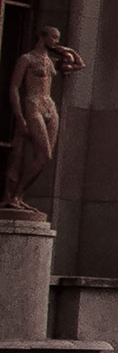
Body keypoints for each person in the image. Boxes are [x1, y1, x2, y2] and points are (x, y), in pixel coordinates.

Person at [5, 24, 82, 214]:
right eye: (53, 38)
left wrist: (68, 50)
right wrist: (19, 116)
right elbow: (14, 88)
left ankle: (19, 196)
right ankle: (14, 195)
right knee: (44, 154)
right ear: (42, 36)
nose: (56, 41)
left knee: (45, 157)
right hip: (33, 104)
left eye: (57, 38)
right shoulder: (27, 59)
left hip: (49, 106)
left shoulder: (50, 61)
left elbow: (80, 65)